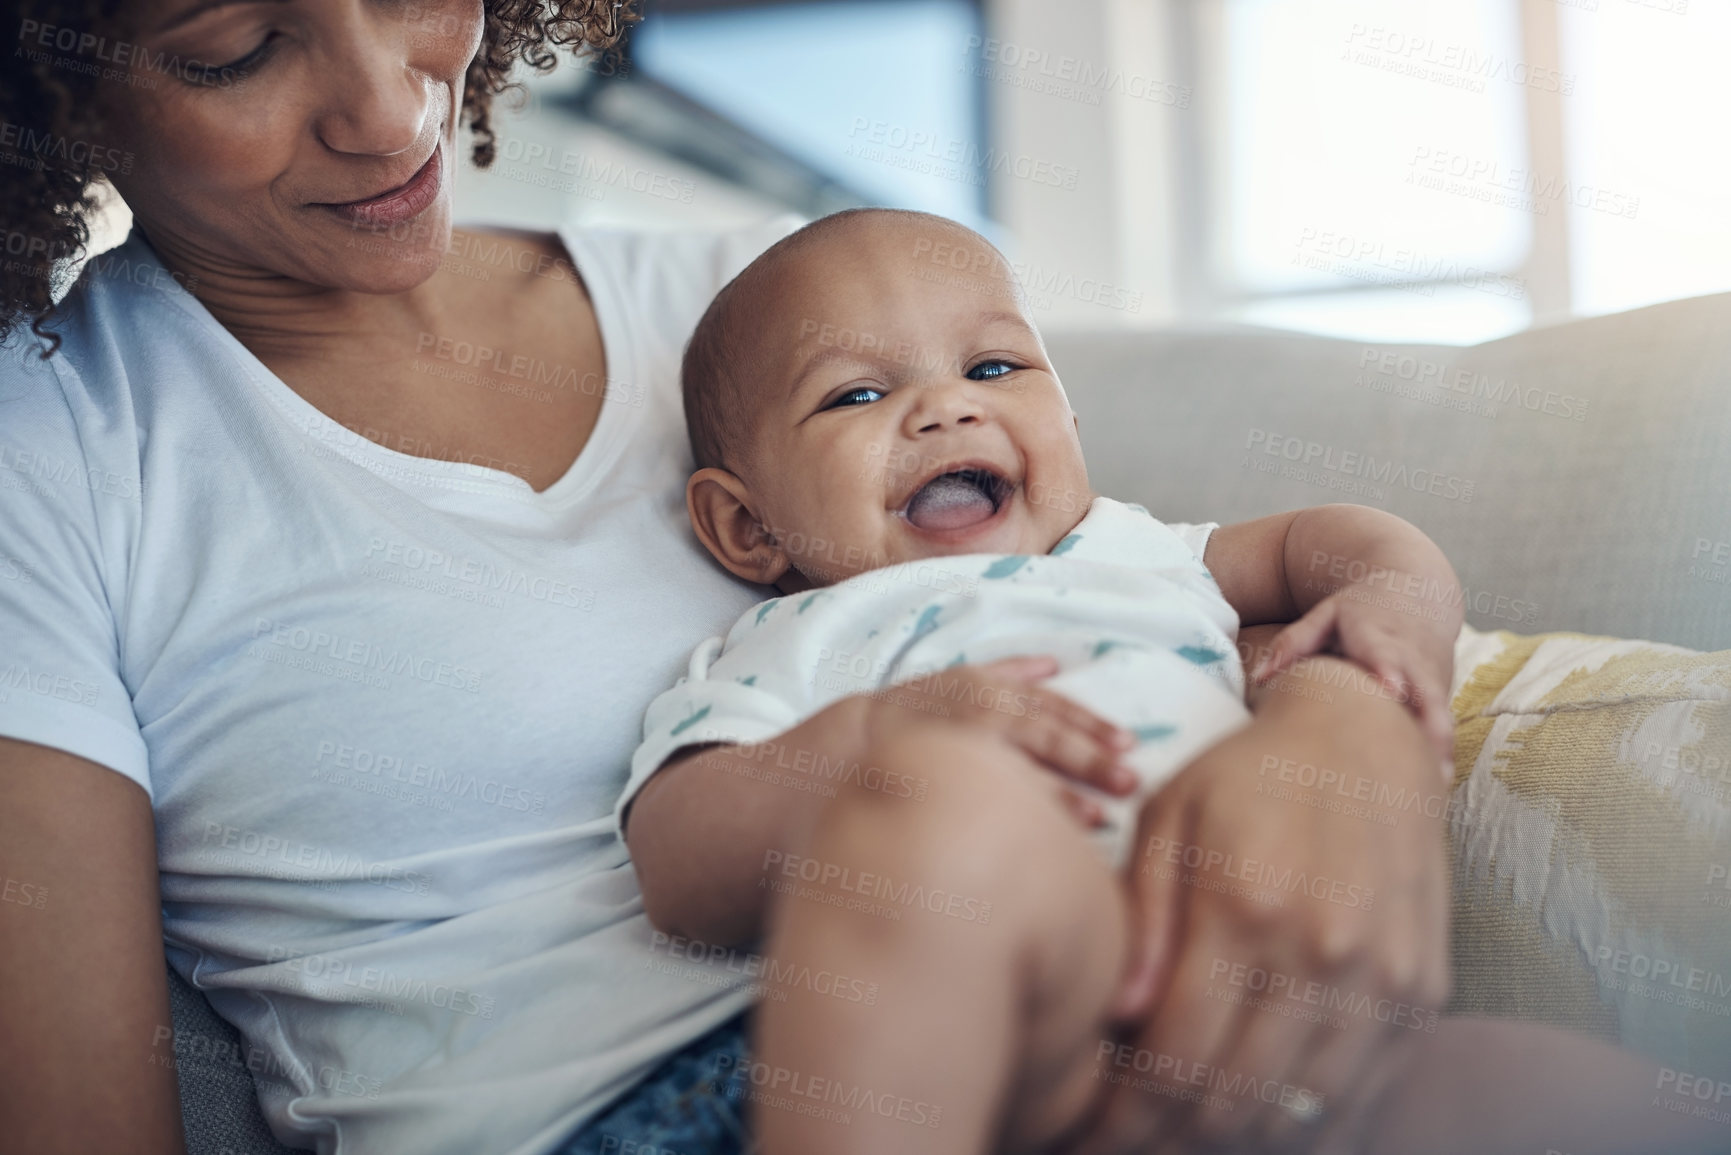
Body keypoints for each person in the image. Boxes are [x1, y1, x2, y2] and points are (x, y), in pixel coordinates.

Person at [0, 2, 1478, 1153]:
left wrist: (1349, 731)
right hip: (619, 1112)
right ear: (51, 86)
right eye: (236, 48)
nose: (391, 106)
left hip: (1038, 1039)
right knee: (947, 809)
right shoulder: (53, 446)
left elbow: (1181, 570)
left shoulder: (779, 303)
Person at [619, 208, 1730, 1155]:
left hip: (1282, 1017)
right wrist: (882, 737)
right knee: (933, 808)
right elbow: (677, 858)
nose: (949, 408)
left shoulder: (1135, 547)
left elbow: (1333, 540)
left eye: (995, 368)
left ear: (1070, 422)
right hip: (1032, 1041)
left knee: (1572, 1098)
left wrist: (1398, 607)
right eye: (855, 395)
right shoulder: (800, 631)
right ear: (748, 525)